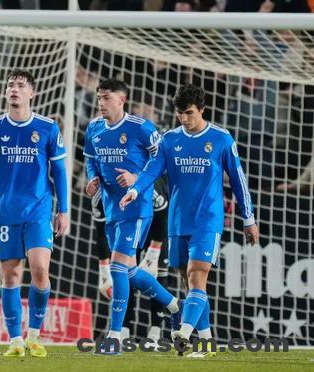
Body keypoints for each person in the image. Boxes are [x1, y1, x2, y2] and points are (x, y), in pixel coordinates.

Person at [120, 84, 259, 357]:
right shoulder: (169, 140)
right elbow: (151, 169)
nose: (184, 118)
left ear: (202, 110)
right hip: (177, 221)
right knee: (189, 281)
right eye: (180, 113)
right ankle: (207, 343)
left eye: (189, 113)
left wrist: (248, 218)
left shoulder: (220, 138)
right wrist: (135, 189)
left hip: (208, 220)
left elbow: (239, 181)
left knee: (197, 275)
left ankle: (183, 333)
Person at [0, 69, 69, 358]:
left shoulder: (47, 128)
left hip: (38, 210)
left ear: (31, 93)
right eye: (10, 85)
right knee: (11, 276)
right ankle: (15, 340)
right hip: (6, 212)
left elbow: (60, 172)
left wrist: (63, 210)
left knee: (39, 269)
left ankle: (34, 336)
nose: (14, 89)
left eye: (20, 85)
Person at [83, 79, 180, 354]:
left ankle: (115, 337)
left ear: (121, 100)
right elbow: (90, 158)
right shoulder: (94, 128)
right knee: (130, 271)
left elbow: (162, 161)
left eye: (106, 98)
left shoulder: (141, 128)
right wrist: (92, 179)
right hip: (112, 208)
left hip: (137, 208)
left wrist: (137, 179)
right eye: (99, 98)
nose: (101, 103)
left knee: (117, 268)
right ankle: (175, 306)